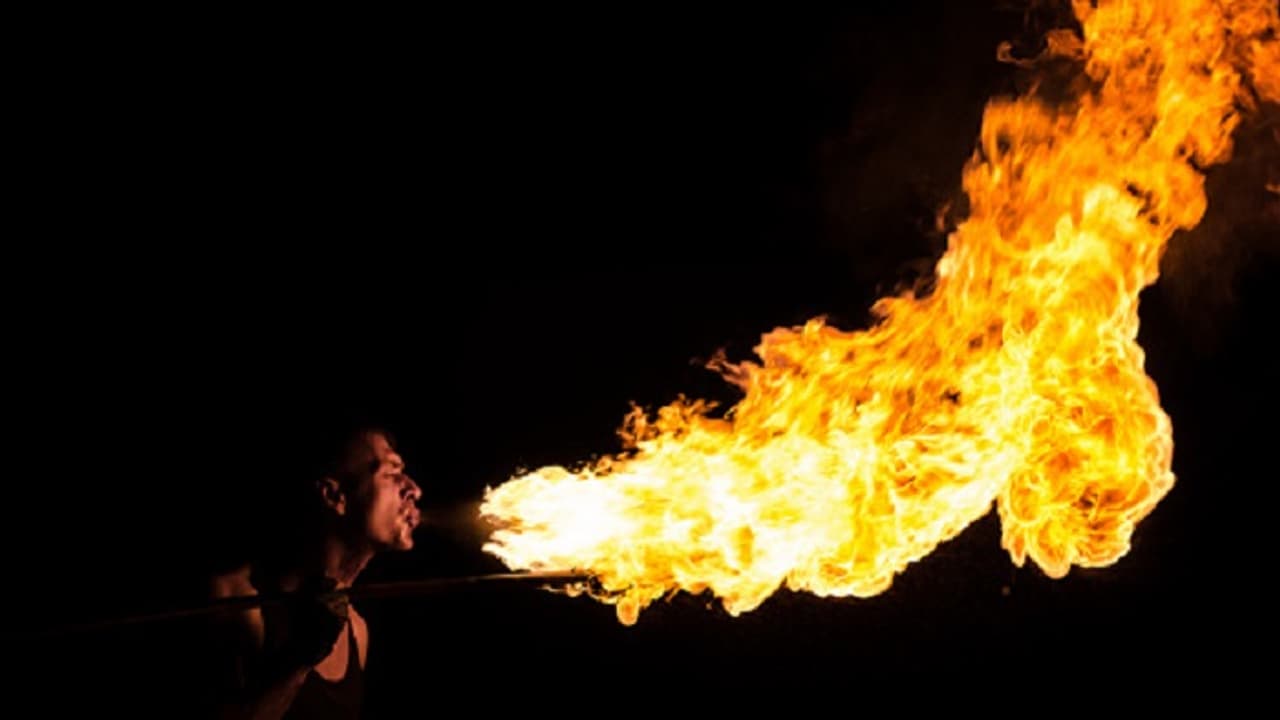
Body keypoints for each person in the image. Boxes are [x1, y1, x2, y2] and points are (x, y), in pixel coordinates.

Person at [200, 425, 423, 719]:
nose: (414, 490)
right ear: (334, 496)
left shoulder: (356, 630)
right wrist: (301, 656)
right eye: (391, 473)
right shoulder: (238, 599)